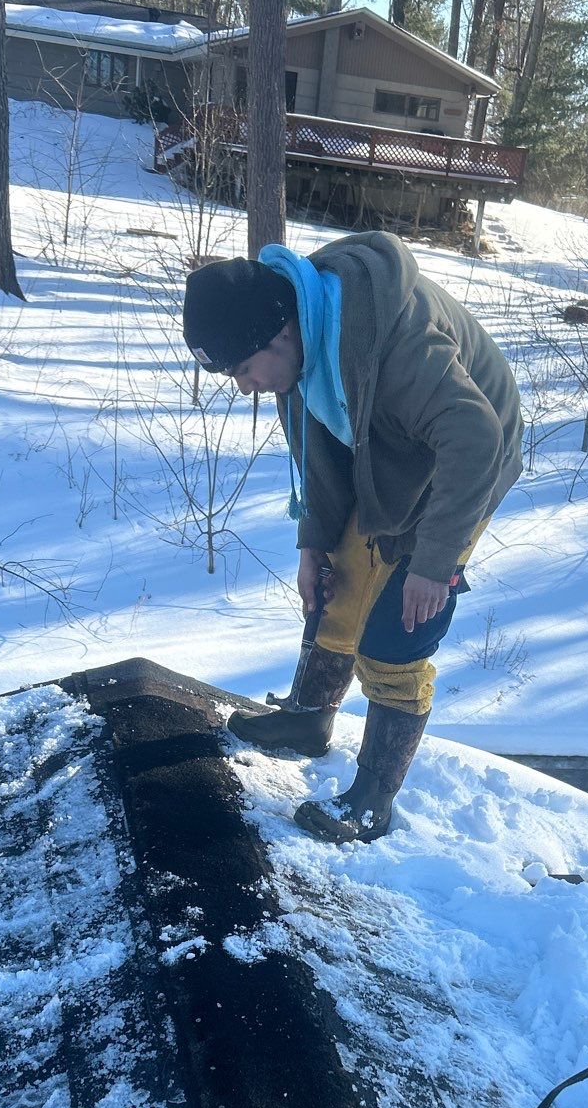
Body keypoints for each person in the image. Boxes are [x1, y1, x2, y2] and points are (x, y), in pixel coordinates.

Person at [182, 231, 523, 843]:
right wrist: (315, 544)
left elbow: (472, 439)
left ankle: (374, 798)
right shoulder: (300, 356)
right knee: (335, 588)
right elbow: (319, 460)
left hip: (469, 457)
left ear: (278, 334)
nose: (244, 386)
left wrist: (432, 564)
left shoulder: (393, 344)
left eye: (241, 369)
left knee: (397, 629)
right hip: (392, 446)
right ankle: (310, 719)